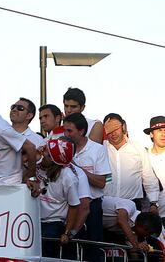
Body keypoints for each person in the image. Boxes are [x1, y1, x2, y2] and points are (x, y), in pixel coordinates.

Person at [63, 112, 111, 262]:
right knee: (68, 249)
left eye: (69, 131)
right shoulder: (63, 148)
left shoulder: (98, 150)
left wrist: (79, 170)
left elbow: (101, 182)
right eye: (64, 130)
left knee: (92, 249)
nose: (66, 134)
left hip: (92, 207)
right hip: (69, 206)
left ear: (81, 131)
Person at [103, 113, 159, 211]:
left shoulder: (138, 148)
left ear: (123, 127)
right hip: (106, 204)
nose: (113, 133)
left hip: (133, 203)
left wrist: (153, 203)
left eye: (115, 128)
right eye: (109, 129)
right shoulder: (100, 148)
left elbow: (148, 176)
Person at [35, 138, 80, 258]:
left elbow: (74, 206)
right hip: (33, 218)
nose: (43, 155)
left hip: (54, 222)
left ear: (56, 160)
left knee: (45, 251)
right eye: (45, 150)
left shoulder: (68, 177)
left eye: (48, 155)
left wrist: (66, 232)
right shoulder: (36, 165)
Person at [144, 116, 165, 224]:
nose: (163, 134)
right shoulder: (143, 156)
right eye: (159, 130)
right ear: (151, 134)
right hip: (150, 218)